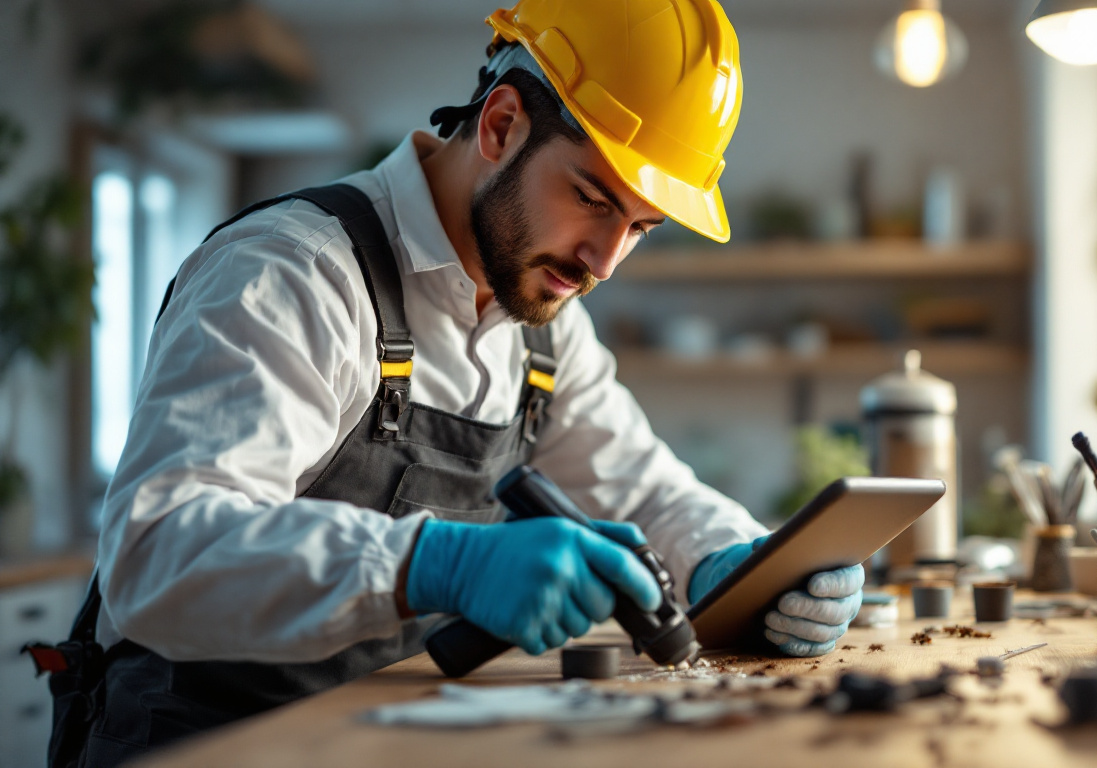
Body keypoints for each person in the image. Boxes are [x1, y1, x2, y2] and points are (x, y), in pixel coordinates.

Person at [43, 2, 863, 765]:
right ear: (502, 124)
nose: (604, 260)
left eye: (639, 228)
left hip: (375, 737)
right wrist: (437, 563)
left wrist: (737, 560)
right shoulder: (292, 273)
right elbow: (161, 551)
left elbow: (643, 490)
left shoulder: (543, 328)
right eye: (591, 197)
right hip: (203, 741)